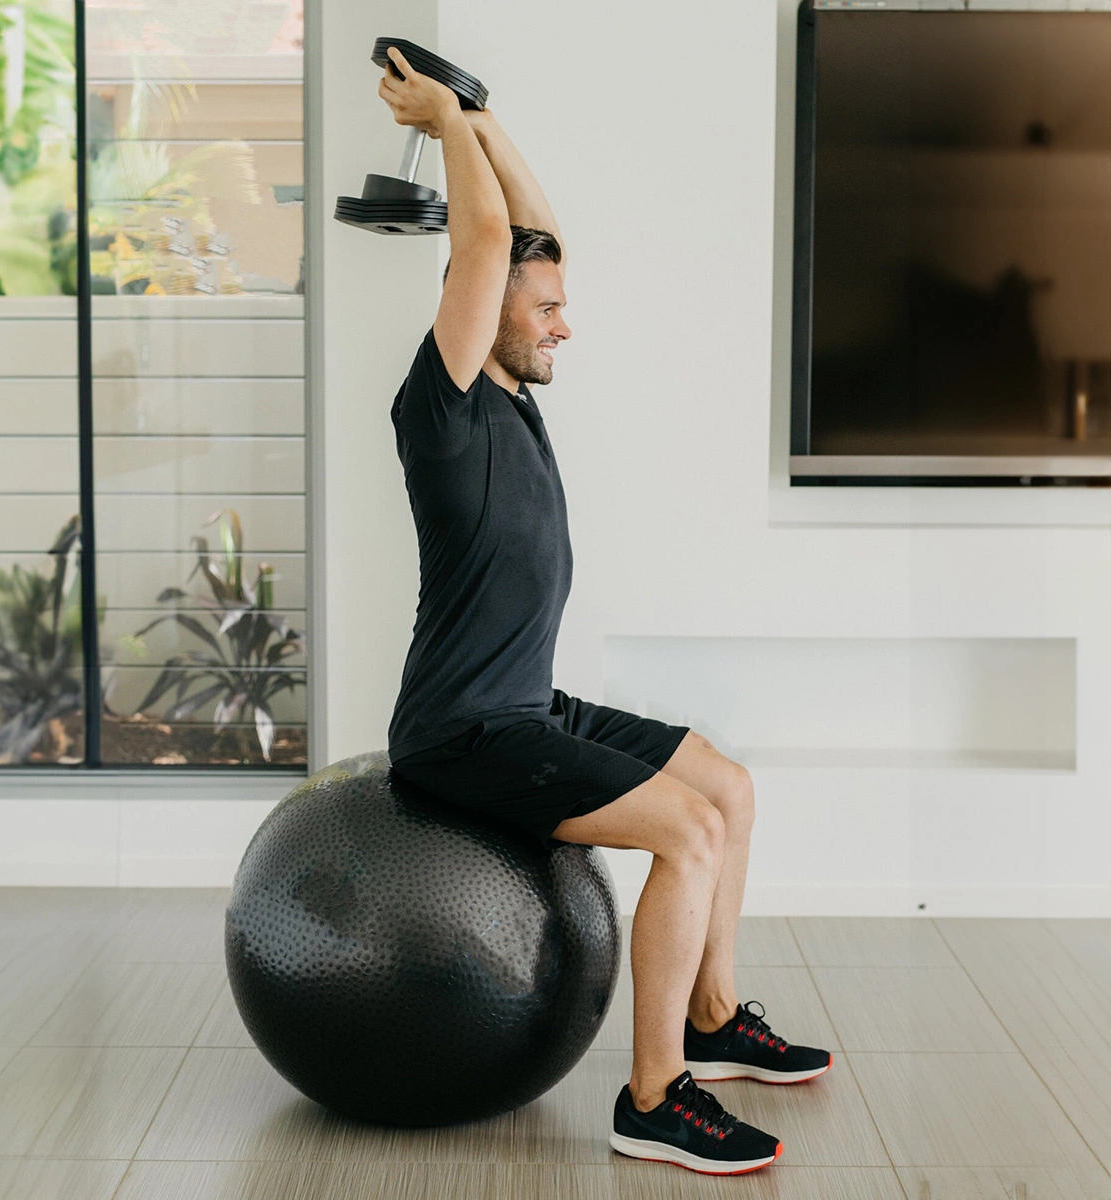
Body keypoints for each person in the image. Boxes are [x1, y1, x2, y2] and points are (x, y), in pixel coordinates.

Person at [378, 46, 830, 1177]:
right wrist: (441, 124)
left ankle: (712, 1019)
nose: (564, 324)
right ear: (482, 309)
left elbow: (531, 236)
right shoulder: (443, 405)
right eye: (547, 311)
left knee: (727, 787)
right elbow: (489, 243)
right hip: (463, 733)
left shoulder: (512, 393)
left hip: (528, 704)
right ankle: (654, 1097)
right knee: (687, 831)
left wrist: (482, 118)